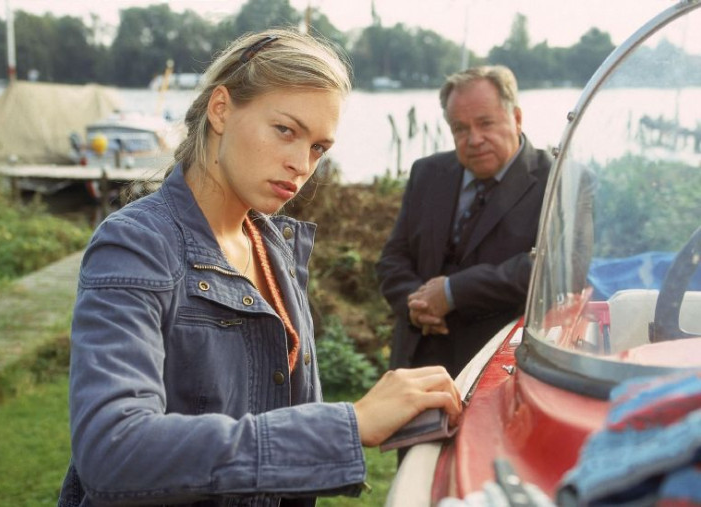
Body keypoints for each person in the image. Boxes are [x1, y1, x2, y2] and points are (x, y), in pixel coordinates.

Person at [56, 28, 461, 507]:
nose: (301, 164)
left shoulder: (274, 246)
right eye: (286, 130)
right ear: (221, 109)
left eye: (318, 148)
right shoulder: (137, 244)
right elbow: (113, 450)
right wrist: (348, 425)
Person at [376, 65, 553, 379]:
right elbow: (393, 258)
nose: (474, 139)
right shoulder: (427, 173)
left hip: (501, 368)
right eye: (460, 128)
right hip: (415, 361)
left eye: (485, 123)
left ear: (516, 118)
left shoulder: (558, 180)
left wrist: (452, 291)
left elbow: (553, 269)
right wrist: (416, 306)